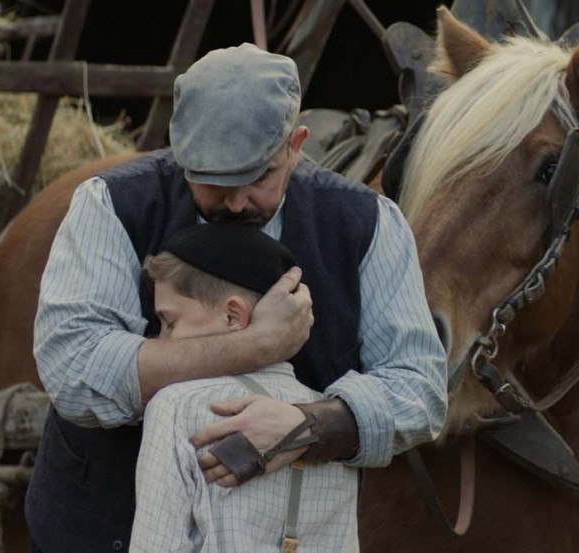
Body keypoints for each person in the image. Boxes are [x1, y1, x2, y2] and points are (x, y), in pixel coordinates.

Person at [27, 43, 447, 552]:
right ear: (181, 153)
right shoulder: (112, 204)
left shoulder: (368, 225)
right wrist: (259, 344)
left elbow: (419, 387)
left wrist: (304, 426)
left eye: (257, 178)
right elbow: (73, 365)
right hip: (106, 528)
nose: (234, 200)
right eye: (212, 181)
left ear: (295, 146)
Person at [130, 224, 358, 552]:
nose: (161, 341)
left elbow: (156, 545)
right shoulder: (332, 422)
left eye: (170, 323)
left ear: (234, 316)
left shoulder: (175, 405)